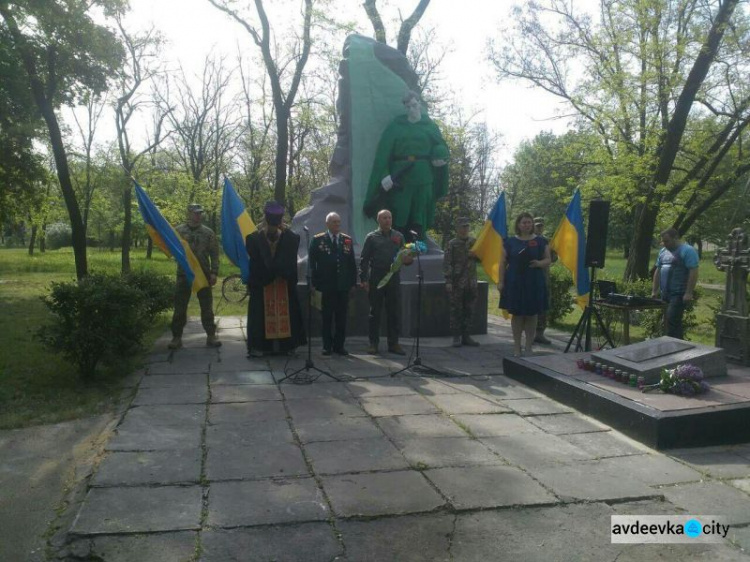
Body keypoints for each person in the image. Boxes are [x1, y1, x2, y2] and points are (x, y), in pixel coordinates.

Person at [363, 89, 449, 241]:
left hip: (424, 176)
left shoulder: (429, 126)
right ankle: (397, 245)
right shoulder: (396, 126)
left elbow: (441, 146)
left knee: (420, 212)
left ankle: (418, 246)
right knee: (399, 212)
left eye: (414, 105)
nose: (411, 109)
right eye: (408, 106)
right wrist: (385, 175)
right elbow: (383, 154)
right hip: (401, 177)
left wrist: (440, 155)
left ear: (420, 104)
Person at [245, 201, 306, 357]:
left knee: (287, 313)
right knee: (260, 315)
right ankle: (260, 346)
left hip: (282, 284)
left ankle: (287, 346)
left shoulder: (291, 238)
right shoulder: (253, 239)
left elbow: (289, 260)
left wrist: (277, 273)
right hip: (263, 284)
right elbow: (255, 261)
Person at [498, 212, 552, 356]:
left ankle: (528, 346)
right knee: (517, 314)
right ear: (518, 225)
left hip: (534, 281)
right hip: (515, 281)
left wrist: (539, 263)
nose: (527, 225)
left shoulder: (541, 241)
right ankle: (517, 347)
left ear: (532, 224)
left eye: (529, 222)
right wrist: (501, 281)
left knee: (532, 314)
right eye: (524, 222)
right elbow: (502, 262)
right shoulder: (509, 242)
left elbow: (548, 259)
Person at [359, 209, 412, 355]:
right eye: (384, 218)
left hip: (393, 277)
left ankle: (394, 343)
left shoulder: (399, 236)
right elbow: (364, 260)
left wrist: (409, 259)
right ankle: (373, 343)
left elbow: (404, 256)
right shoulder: (371, 237)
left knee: (394, 311)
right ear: (378, 220)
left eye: (389, 217)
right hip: (376, 277)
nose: (387, 220)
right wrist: (363, 279)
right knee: (375, 312)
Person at [168, 203, 221, 350]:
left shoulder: (208, 233)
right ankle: (176, 337)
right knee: (179, 307)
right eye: (196, 213)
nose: (198, 215)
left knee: (206, 307)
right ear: (189, 213)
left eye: (200, 213)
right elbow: (170, 247)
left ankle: (211, 335)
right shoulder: (178, 231)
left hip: (203, 275)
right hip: (184, 274)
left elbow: (215, 254)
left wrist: (214, 272)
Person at [309, 212, 357, 356]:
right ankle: (327, 345)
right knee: (327, 317)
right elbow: (312, 263)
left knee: (341, 317)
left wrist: (353, 283)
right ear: (327, 224)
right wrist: (314, 282)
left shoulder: (347, 240)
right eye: (334, 222)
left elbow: (351, 264)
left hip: (342, 286)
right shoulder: (318, 240)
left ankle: (339, 345)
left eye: (338, 222)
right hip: (326, 285)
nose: (337, 224)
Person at [651, 228, 699, 340]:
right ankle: (673, 347)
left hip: (678, 294)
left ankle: (675, 349)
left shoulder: (687, 251)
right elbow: (658, 271)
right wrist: (654, 290)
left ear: (676, 238)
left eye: (667, 241)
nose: (664, 244)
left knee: (672, 320)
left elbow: (694, 272)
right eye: (663, 241)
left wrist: (688, 292)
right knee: (668, 323)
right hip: (665, 294)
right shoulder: (663, 252)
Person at [444, 217, 481, 347]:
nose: (465, 229)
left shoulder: (474, 242)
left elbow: (482, 259)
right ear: (457, 229)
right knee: (456, 309)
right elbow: (447, 263)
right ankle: (456, 336)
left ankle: (466, 336)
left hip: (471, 282)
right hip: (457, 282)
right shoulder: (452, 244)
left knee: (469, 309)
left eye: (466, 227)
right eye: (462, 227)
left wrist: (476, 255)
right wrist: (448, 281)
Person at [533, 216, 558, 345]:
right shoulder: (528, 240)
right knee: (531, 306)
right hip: (531, 279)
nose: (539, 228)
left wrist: (553, 249)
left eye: (541, 226)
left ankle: (540, 333)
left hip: (544, 278)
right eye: (537, 226)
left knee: (544, 305)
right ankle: (529, 333)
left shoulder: (547, 241)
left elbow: (554, 258)